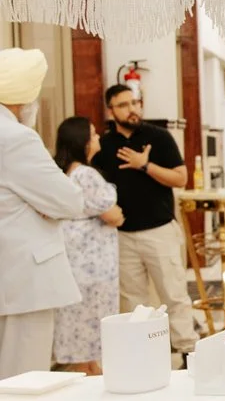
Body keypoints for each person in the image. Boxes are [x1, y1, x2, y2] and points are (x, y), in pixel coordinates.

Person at [92, 84, 197, 363]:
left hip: (159, 230)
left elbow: (180, 178)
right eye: (123, 105)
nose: (132, 109)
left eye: (135, 102)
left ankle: (188, 354)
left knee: (174, 295)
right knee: (133, 303)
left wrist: (145, 165)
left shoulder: (158, 137)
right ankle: (143, 358)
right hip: (123, 235)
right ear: (111, 111)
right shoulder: (104, 145)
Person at [0, 49, 84, 378]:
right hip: (23, 282)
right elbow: (69, 201)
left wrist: (38, 202)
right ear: (22, 99)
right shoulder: (15, 138)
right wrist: (43, 205)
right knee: (23, 380)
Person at [52, 118, 124, 375]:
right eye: (93, 134)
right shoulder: (85, 174)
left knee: (83, 328)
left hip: (77, 261)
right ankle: (87, 375)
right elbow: (113, 215)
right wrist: (117, 214)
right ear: (81, 141)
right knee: (91, 325)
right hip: (92, 266)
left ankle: (91, 369)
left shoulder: (66, 174)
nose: (98, 138)